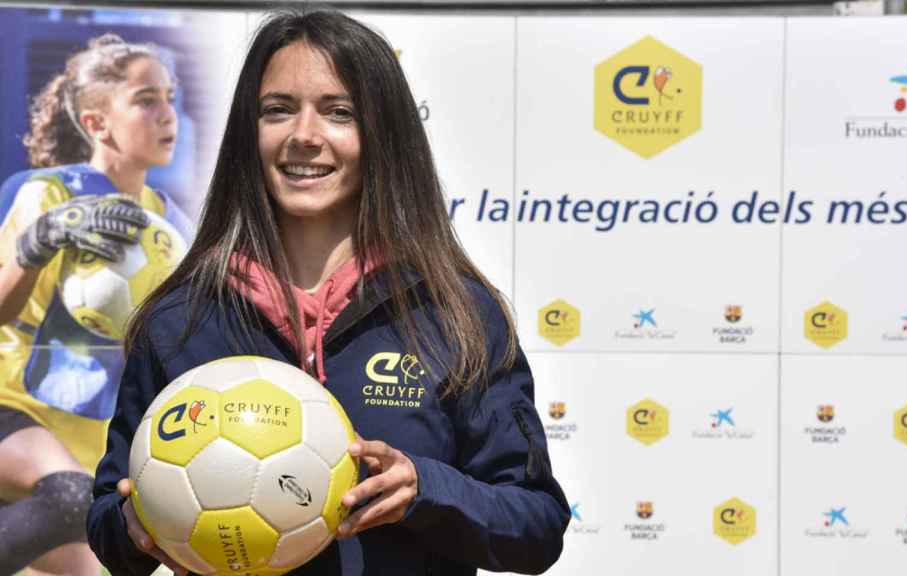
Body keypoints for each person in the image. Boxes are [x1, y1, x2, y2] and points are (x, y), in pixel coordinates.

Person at [86, 10, 570, 576]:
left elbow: (536, 527)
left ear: (382, 135)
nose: (304, 137)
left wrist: (425, 489)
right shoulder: (179, 319)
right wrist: (136, 525)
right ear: (251, 132)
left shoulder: (457, 313)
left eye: (339, 113)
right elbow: (106, 522)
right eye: (278, 110)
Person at [0, 34, 189, 575]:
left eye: (170, 97)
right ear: (96, 123)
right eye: (145, 99)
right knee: (69, 500)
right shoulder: (47, 194)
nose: (166, 114)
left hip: (87, 447)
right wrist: (39, 243)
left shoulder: (175, 227)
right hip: (14, 409)